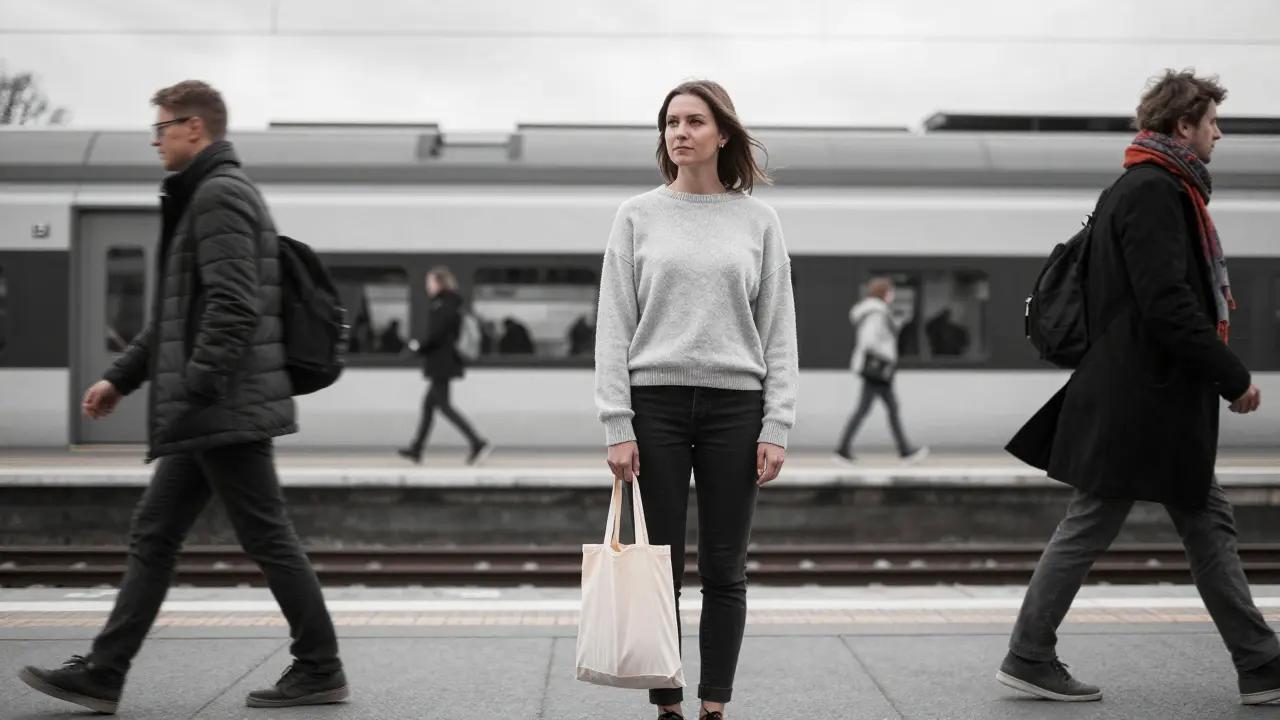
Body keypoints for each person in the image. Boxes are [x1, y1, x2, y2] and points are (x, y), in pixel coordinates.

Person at [16, 80, 349, 713]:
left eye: (162, 128)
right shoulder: (206, 195)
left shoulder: (219, 197)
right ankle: (106, 672)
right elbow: (176, 321)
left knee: (261, 537)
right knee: (158, 535)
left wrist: (193, 385)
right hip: (214, 403)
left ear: (194, 128)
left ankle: (320, 665)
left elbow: (231, 307)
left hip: (220, 404)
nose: (156, 140)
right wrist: (122, 377)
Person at [999, 69, 1278, 705]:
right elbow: (1167, 301)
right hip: (1143, 399)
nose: (1219, 134)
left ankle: (1262, 663)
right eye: (1212, 122)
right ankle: (1028, 652)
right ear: (1183, 126)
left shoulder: (1146, 187)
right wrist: (1230, 374)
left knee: (1200, 520)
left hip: (1144, 395)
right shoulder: (1155, 192)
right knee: (1104, 522)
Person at [593, 79, 799, 720]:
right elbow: (613, 324)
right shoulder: (637, 215)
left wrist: (778, 423)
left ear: (722, 134)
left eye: (693, 121)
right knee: (659, 569)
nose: (679, 132)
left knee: (724, 570)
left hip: (736, 408)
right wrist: (615, 422)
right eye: (670, 122)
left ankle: (714, 705)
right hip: (652, 405)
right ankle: (668, 706)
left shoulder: (758, 220)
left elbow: (779, 328)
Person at [399, 266, 492, 465]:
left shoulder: (442, 305)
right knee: (429, 406)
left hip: (442, 363)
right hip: (445, 362)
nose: (428, 286)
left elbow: (436, 336)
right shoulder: (450, 304)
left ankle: (477, 442)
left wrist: (418, 347)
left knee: (444, 406)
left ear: (438, 283)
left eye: (430, 282)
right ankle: (416, 449)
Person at [832, 277, 928, 465]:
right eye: (890, 292)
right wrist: (885, 354)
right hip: (877, 368)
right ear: (884, 293)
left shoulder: (873, 312)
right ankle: (903, 451)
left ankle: (903, 450)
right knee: (876, 409)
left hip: (876, 368)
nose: (892, 296)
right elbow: (869, 340)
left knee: (883, 408)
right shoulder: (877, 313)